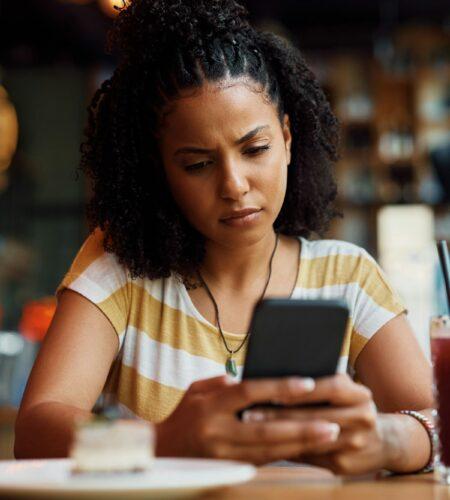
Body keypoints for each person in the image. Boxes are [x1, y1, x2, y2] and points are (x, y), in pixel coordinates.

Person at [15, 0, 434, 474]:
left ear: (289, 139)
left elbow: (434, 423)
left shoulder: (348, 276)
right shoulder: (121, 271)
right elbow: (35, 431)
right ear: (160, 171)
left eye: (255, 149)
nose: (234, 185)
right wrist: (165, 440)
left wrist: (390, 439)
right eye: (197, 164)